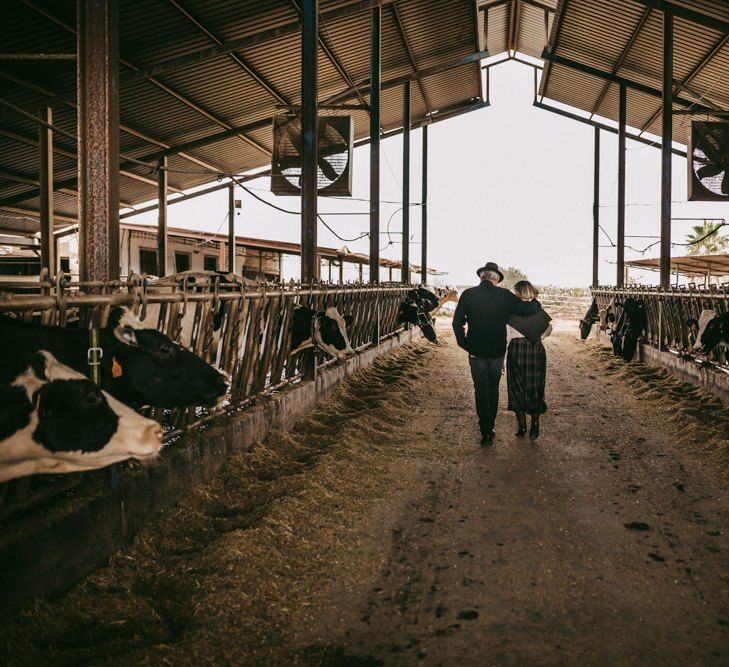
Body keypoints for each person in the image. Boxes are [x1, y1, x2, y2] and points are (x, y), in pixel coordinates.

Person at [452, 262, 541, 446]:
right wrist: (535, 300)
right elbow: (527, 310)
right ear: (496, 279)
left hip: (476, 352)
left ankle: (485, 431)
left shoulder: (468, 295)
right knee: (492, 390)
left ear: (481, 277)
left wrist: (465, 344)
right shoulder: (504, 296)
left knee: (480, 391)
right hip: (497, 352)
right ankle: (490, 427)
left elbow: (456, 323)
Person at [506, 280, 552, 441]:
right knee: (535, 387)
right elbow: (548, 328)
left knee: (516, 387)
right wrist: (540, 336)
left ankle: (522, 427)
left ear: (517, 292)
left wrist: (503, 358)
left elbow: (506, 335)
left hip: (517, 349)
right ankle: (535, 426)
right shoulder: (538, 309)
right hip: (535, 349)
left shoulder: (511, 312)